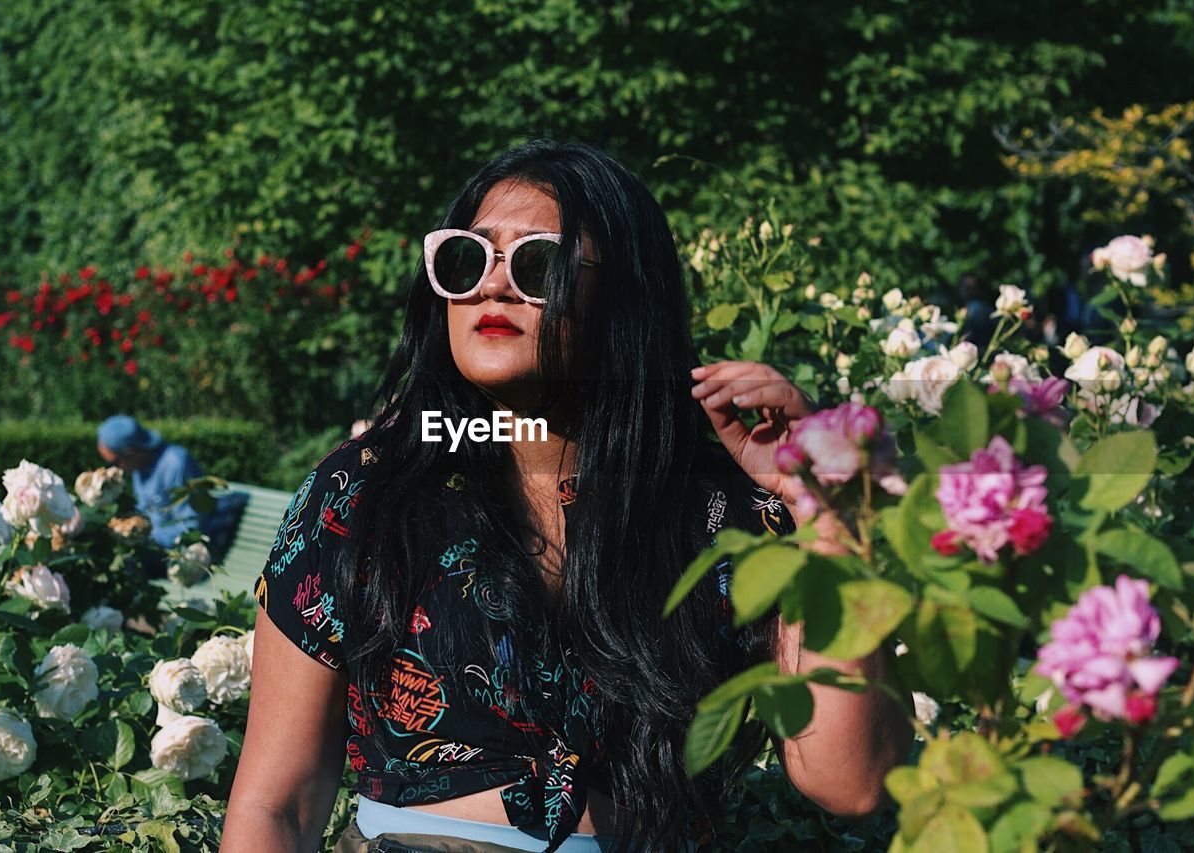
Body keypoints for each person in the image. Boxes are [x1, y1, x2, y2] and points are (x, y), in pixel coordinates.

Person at [222, 141, 912, 853]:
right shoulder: (365, 493)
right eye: (467, 258)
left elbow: (850, 781)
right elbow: (275, 804)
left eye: (537, 263)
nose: (491, 288)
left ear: (623, 299)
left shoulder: (720, 511)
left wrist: (823, 513)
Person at [96, 415, 241, 565]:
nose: (115, 470)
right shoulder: (139, 465)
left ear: (133, 451)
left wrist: (142, 537)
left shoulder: (176, 464)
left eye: (115, 462)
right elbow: (144, 510)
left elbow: (191, 527)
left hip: (182, 557)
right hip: (152, 548)